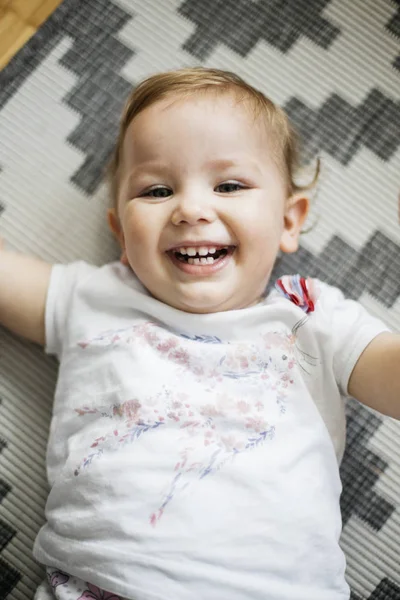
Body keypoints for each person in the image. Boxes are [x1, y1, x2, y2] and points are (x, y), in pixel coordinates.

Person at [0, 67, 399, 600]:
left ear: (288, 220)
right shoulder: (94, 297)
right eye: (158, 189)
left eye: (229, 185)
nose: (190, 209)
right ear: (120, 229)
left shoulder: (309, 316)